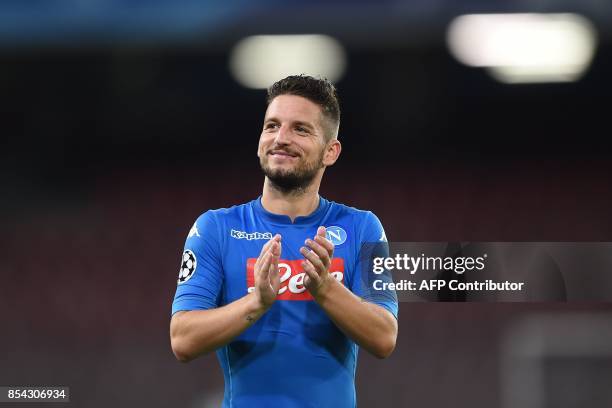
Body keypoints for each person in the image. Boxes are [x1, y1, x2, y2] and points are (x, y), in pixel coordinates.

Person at [170, 75, 398, 408]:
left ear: (330, 152)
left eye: (300, 129)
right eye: (272, 126)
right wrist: (256, 303)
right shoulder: (215, 229)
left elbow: (384, 337)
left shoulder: (362, 228)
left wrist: (325, 288)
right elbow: (182, 339)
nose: (281, 138)